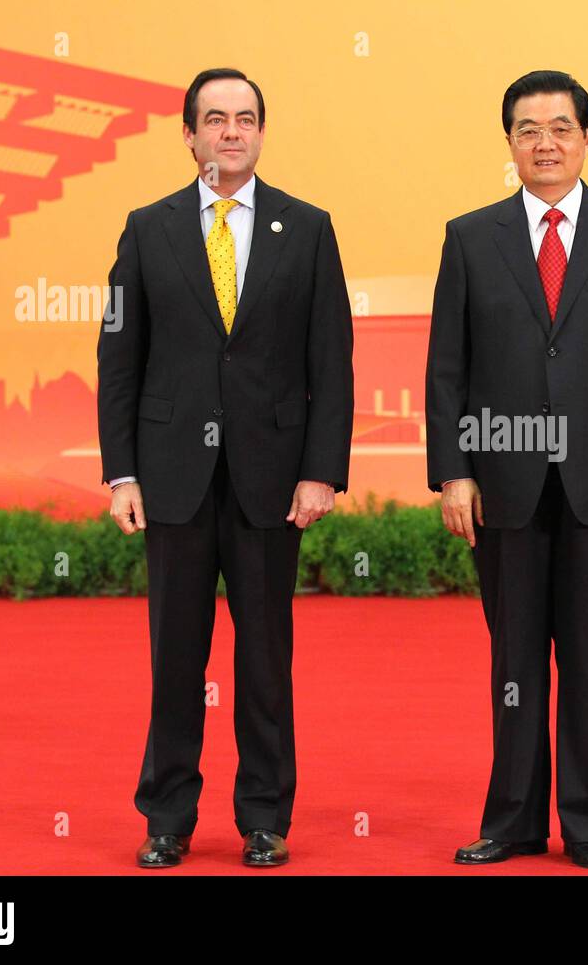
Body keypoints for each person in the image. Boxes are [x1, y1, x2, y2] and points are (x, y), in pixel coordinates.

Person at [97, 68, 354, 868]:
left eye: (245, 118)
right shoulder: (146, 229)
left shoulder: (307, 229)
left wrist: (321, 470)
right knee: (175, 654)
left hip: (272, 482)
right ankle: (166, 817)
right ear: (189, 134)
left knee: (264, 654)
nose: (231, 131)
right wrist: (121, 474)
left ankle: (265, 818)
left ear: (262, 133)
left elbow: (332, 362)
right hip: (171, 479)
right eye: (215, 119)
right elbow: (118, 358)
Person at [425, 69, 588, 869]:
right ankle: (512, 821)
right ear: (509, 143)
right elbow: (446, 369)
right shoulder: (471, 237)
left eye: (561, 128)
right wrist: (453, 471)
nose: (546, 143)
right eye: (528, 130)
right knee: (514, 659)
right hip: (502, 480)